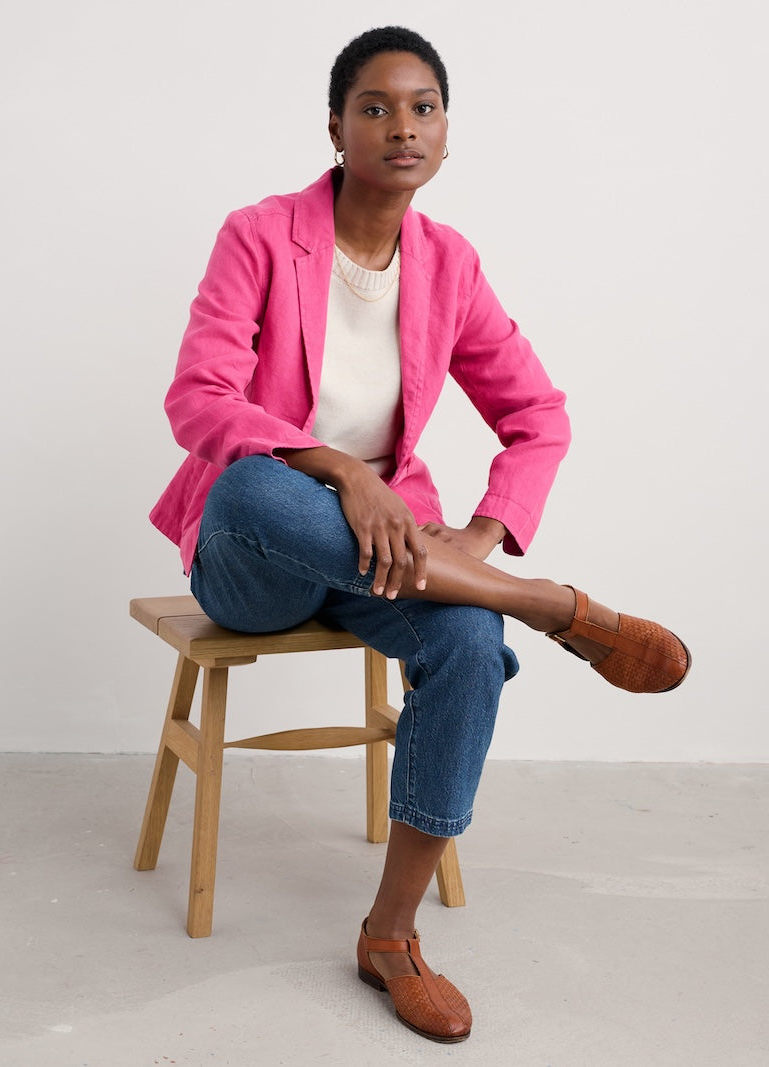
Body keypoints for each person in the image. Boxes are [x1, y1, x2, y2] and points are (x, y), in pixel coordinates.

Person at [149, 26, 690, 1043]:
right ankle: (553, 606)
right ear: (334, 127)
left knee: (470, 641)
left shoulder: (448, 263)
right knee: (254, 488)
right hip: (257, 557)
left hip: (389, 559)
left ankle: (389, 937)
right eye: (375, 107)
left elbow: (537, 414)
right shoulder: (259, 234)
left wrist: (481, 536)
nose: (402, 125)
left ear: (445, 133)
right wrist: (345, 471)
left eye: (423, 107)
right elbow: (199, 399)